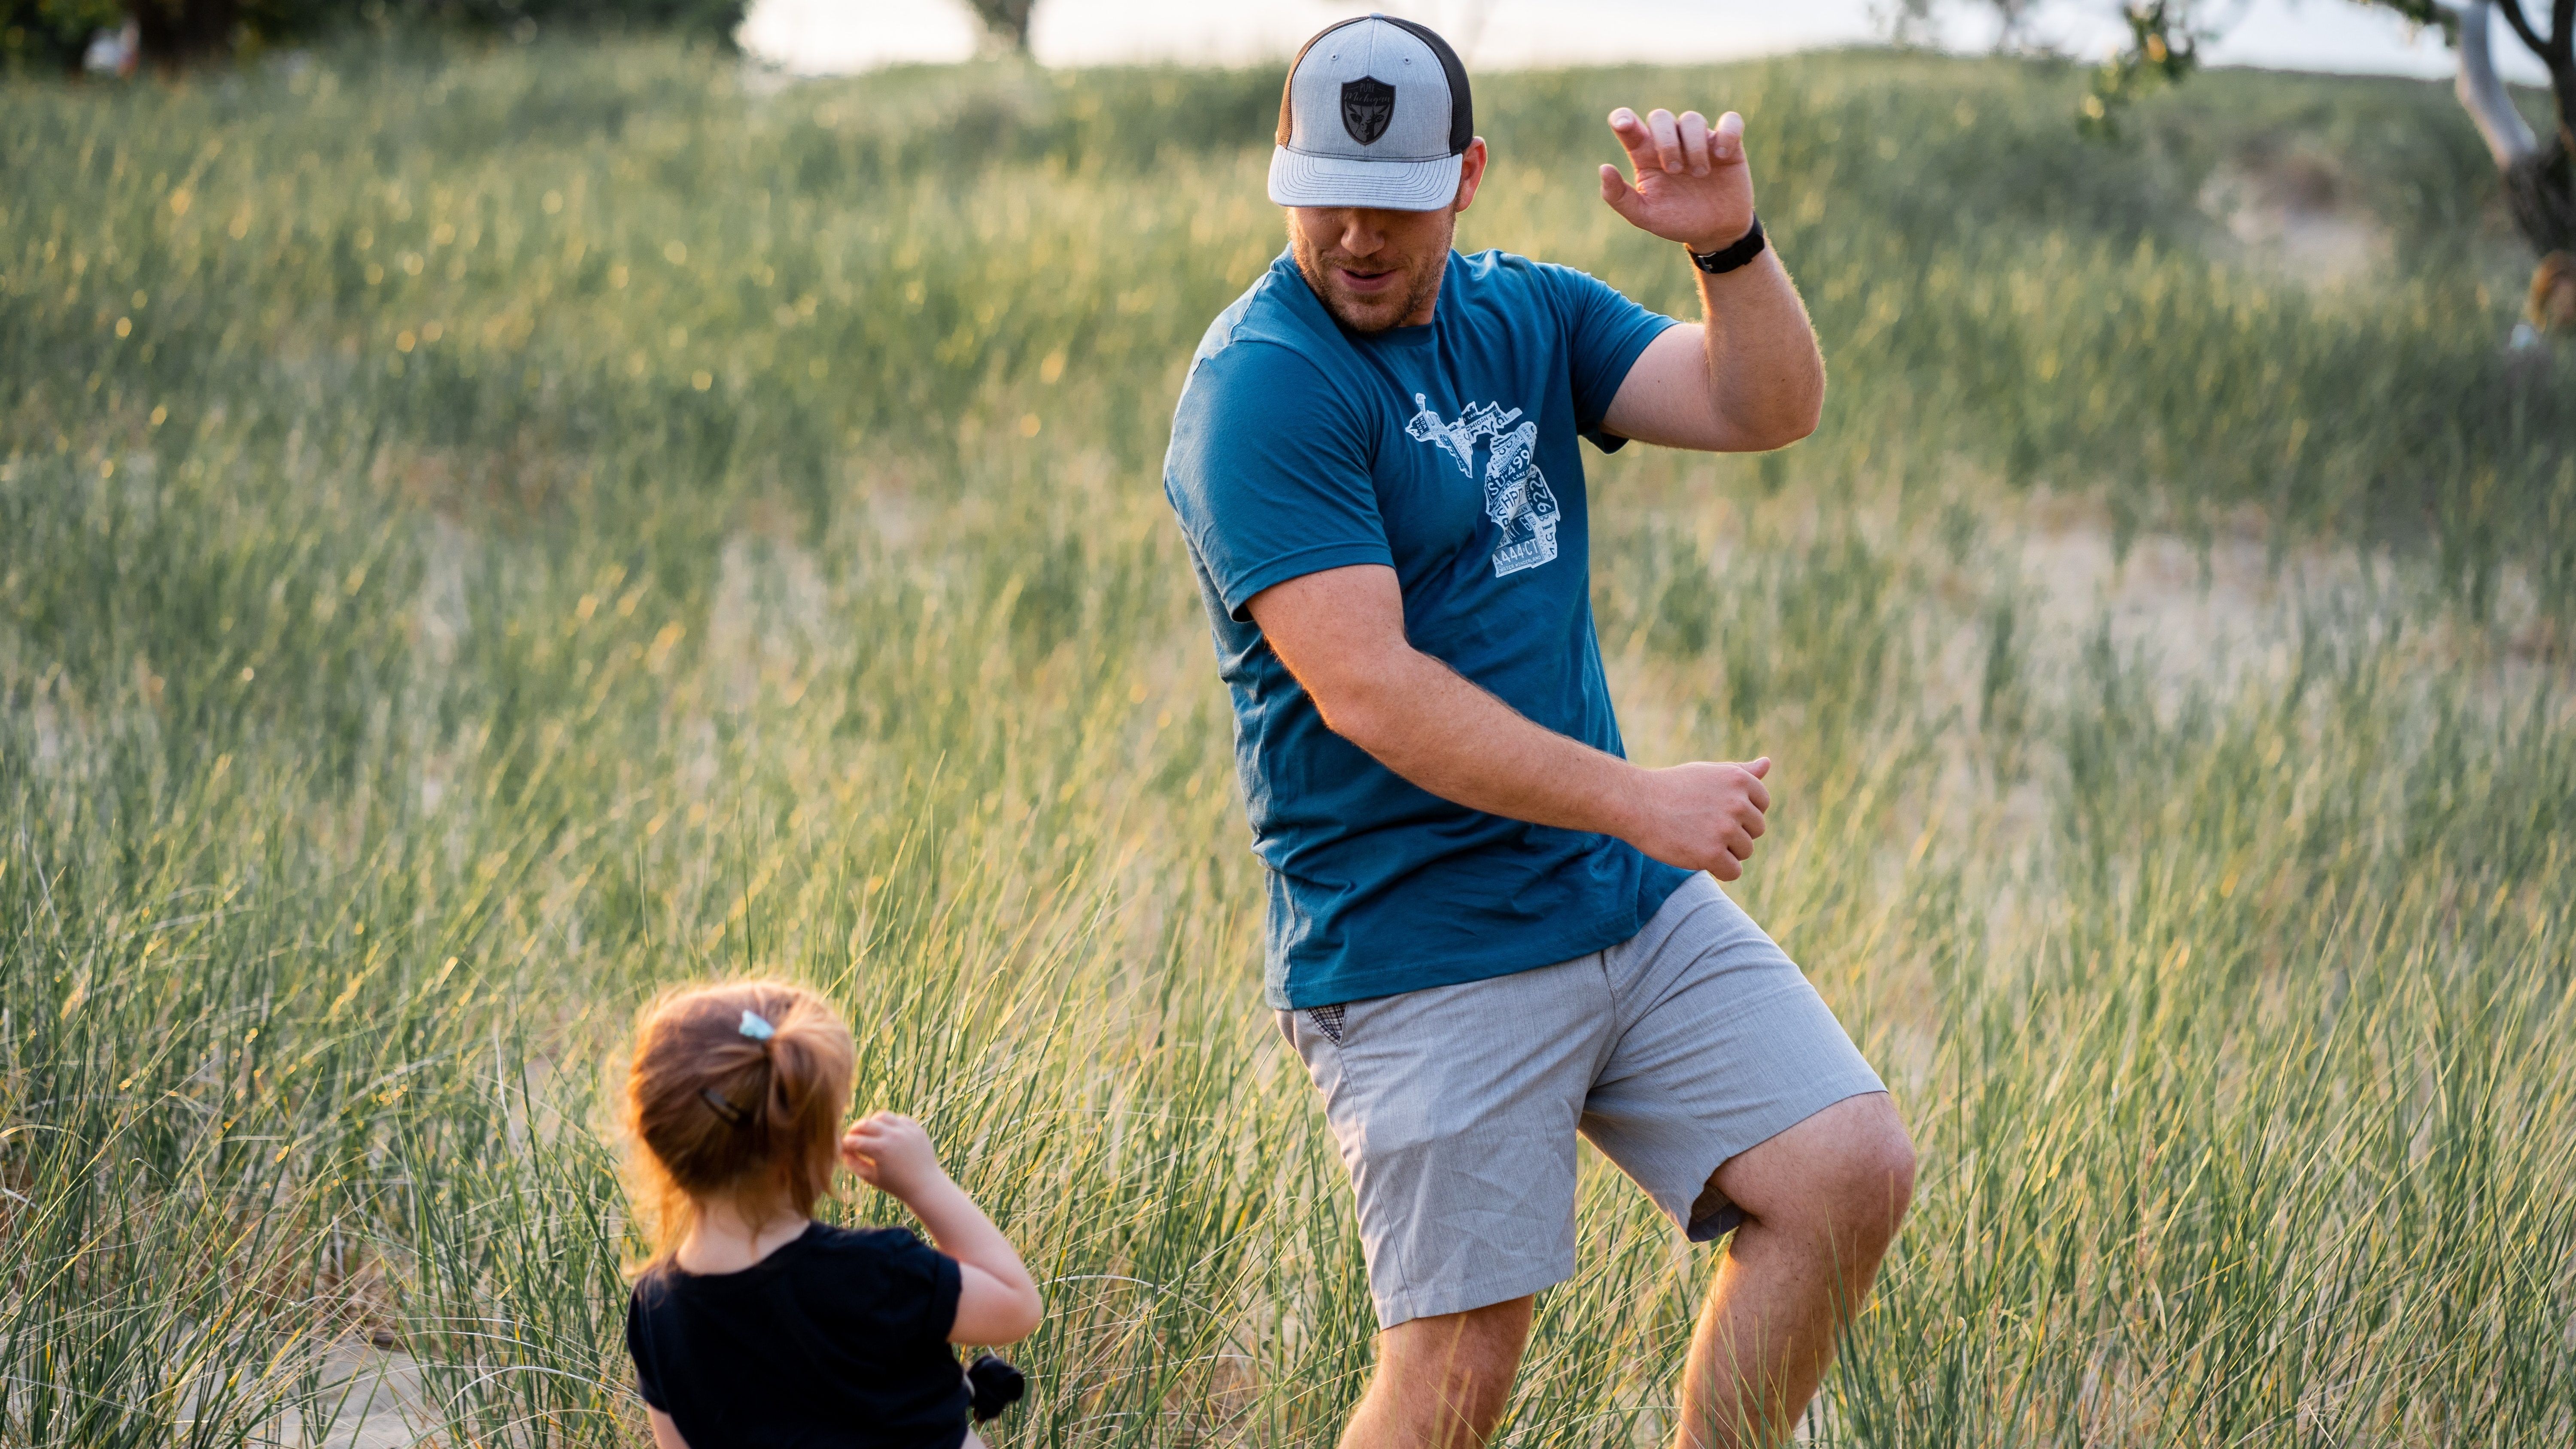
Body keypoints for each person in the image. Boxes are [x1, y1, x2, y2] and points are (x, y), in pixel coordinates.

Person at [1160, 16, 1914, 1449]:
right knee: (1456, 1377)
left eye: (1394, 203)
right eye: (1325, 194)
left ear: (1468, 178)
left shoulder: (1532, 315)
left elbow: (1765, 405)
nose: (1357, 235)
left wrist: (1731, 249)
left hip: (1616, 903)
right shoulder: (1263, 387)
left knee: (1846, 1169)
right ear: (1280, 175)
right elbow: (1369, 687)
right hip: (1418, 941)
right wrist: (1637, 800)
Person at [620, 980, 1042, 1449]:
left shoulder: (656, 1309)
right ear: (817, 1148)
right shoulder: (876, 1272)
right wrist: (926, 1183)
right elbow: (1017, 1305)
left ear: (653, 1138)